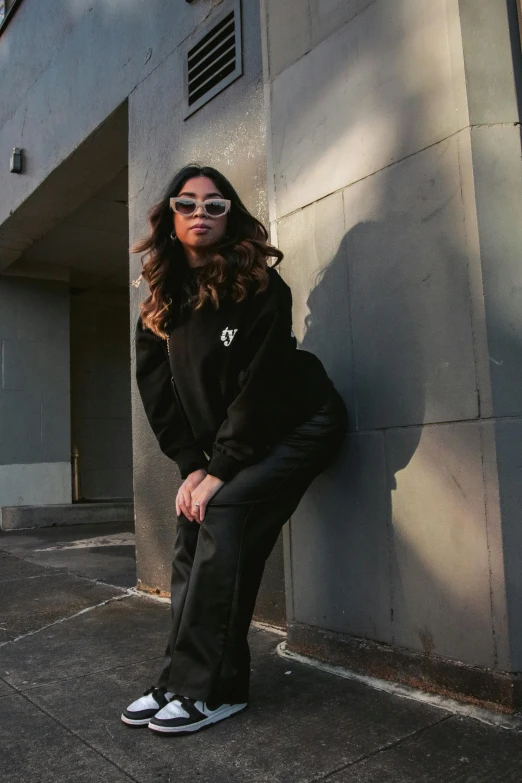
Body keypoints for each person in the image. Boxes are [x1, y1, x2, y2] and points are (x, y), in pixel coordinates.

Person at [121, 164, 348, 735]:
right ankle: (177, 677)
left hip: (302, 423)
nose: (201, 213)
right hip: (239, 442)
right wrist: (192, 469)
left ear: (230, 217)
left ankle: (214, 689)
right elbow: (159, 398)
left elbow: (261, 387)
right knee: (190, 523)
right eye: (188, 203)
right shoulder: (160, 305)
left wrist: (218, 473)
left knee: (221, 513)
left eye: (215, 205)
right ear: (171, 218)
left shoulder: (259, 286)